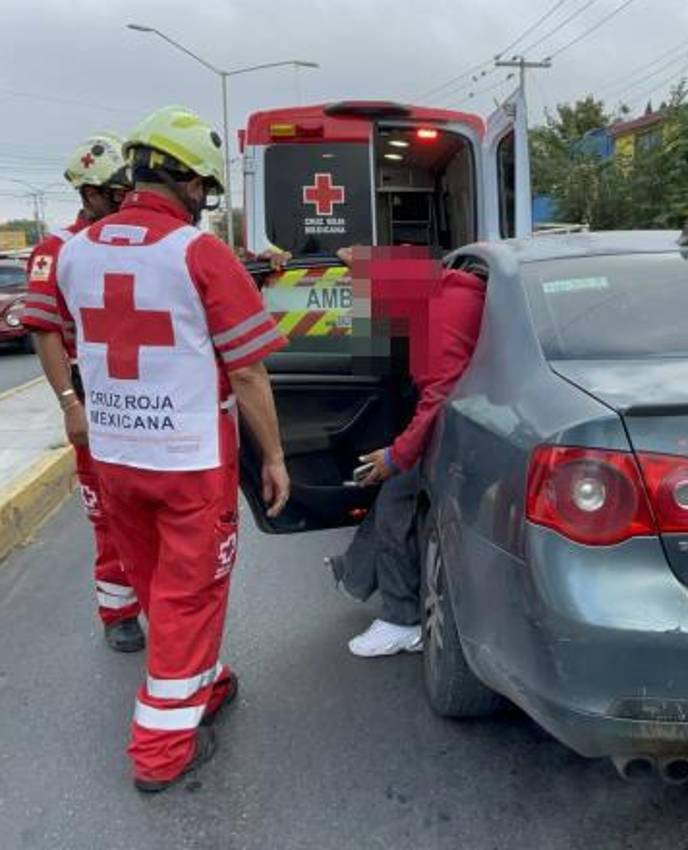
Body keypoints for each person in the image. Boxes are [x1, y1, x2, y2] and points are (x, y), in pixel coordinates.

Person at [51, 105, 290, 792]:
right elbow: (246, 370)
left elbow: (77, 338)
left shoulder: (74, 251)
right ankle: (160, 752)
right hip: (188, 463)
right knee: (193, 595)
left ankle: (203, 680)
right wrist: (273, 456)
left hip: (118, 456)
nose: (204, 204)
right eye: (204, 191)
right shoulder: (198, 253)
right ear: (186, 180)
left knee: (159, 584)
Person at [20, 133, 144, 652]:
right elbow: (45, 330)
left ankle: (162, 598)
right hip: (92, 397)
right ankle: (118, 610)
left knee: (151, 505)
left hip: (141, 396)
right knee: (106, 511)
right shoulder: (58, 250)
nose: (123, 201)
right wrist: (70, 404)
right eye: (114, 192)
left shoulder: (136, 241)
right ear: (89, 194)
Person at [327, 259, 486, 657]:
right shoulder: (449, 289)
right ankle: (357, 572)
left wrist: (396, 456)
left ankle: (401, 621)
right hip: (480, 412)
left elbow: (439, 397)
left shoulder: (435, 317)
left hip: (467, 424)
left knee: (397, 496)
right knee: (391, 498)